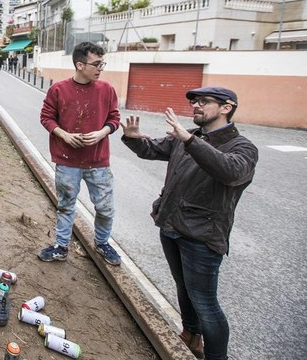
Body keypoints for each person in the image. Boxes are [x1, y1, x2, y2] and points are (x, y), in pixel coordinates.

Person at [120, 87, 257, 360]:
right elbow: (152, 149)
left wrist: (189, 140)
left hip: (202, 238)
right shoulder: (191, 137)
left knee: (206, 303)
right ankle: (191, 335)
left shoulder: (242, 147)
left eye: (204, 102)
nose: (196, 106)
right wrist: (133, 139)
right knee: (184, 288)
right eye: (195, 101)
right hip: (171, 227)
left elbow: (228, 171)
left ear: (226, 108)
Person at [38, 42, 122, 266]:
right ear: (80, 65)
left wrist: (102, 133)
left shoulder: (106, 90)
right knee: (66, 205)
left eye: (102, 63)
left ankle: (102, 243)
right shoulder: (58, 90)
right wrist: (64, 135)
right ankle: (61, 246)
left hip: (98, 162)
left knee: (105, 207)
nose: (100, 68)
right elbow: (46, 117)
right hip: (67, 161)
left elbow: (114, 118)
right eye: (96, 64)